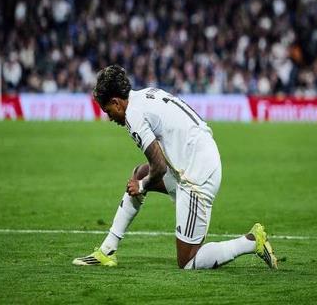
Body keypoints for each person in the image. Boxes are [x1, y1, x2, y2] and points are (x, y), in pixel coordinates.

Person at [72, 65, 277, 269]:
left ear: (116, 102)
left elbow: (159, 166)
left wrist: (142, 186)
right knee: (140, 173)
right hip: (198, 158)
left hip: (197, 174)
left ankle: (251, 242)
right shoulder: (146, 93)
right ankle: (107, 250)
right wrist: (142, 182)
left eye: (108, 111)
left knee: (187, 261)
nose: (110, 118)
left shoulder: (133, 115)